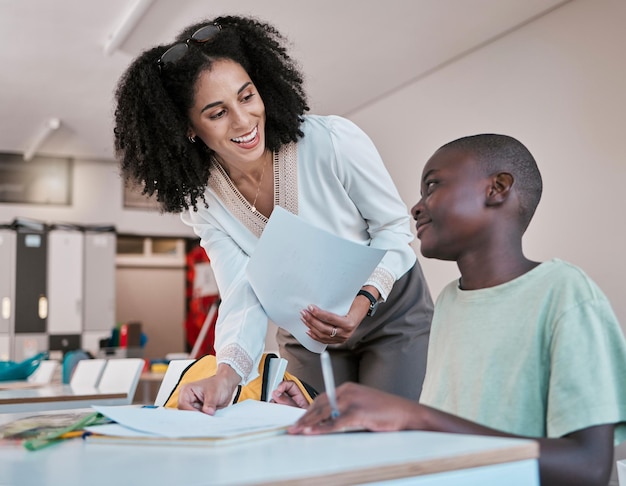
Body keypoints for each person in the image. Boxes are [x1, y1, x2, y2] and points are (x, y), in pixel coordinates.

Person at [113, 15, 433, 415]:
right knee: (307, 437)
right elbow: (241, 291)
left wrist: (363, 299)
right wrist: (227, 372)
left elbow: (393, 230)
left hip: (389, 312)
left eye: (246, 97)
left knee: (382, 437)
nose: (244, 121)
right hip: (307, 330)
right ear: (189, 128)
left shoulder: (331, 141)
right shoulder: (205, 202)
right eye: (217, 113)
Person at [285, 134, 626, 486]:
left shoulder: (564, 292)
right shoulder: (449, 301)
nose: (415, 208)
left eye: (432, 185)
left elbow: (589, 467)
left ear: (498, 188)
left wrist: (415, 415)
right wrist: (331, 414)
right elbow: (445, 439)